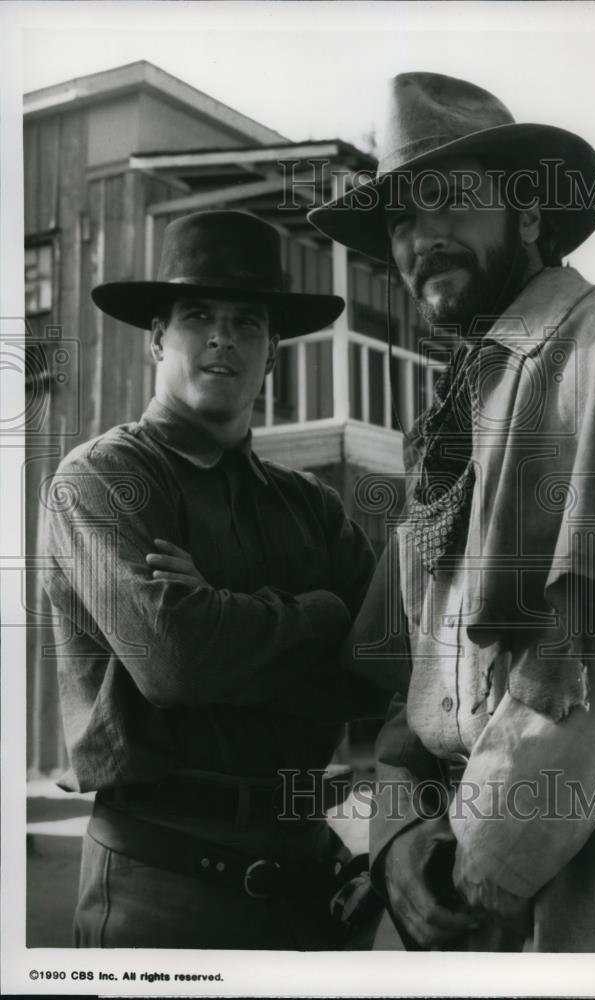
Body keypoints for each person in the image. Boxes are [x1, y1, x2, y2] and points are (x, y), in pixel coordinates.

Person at [308, 72, 595, 952]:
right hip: (451, 885)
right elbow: (409, 694)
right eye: (402, 220)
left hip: (593, 891)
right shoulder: (443, 431)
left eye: (450, 201)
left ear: (528, 214)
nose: (422, 237)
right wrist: (394, 842)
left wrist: (468, 871)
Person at [41, 210, 379, 949]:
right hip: (161, 882)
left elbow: (385, 660)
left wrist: (228, 619)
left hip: (305, 880)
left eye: (247, 321)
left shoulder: (312, 508)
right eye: (198, 316)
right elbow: (178, 660)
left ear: (272, 353)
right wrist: (321, 617)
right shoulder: (104, 478)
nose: (223, 337)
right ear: (158, 337)